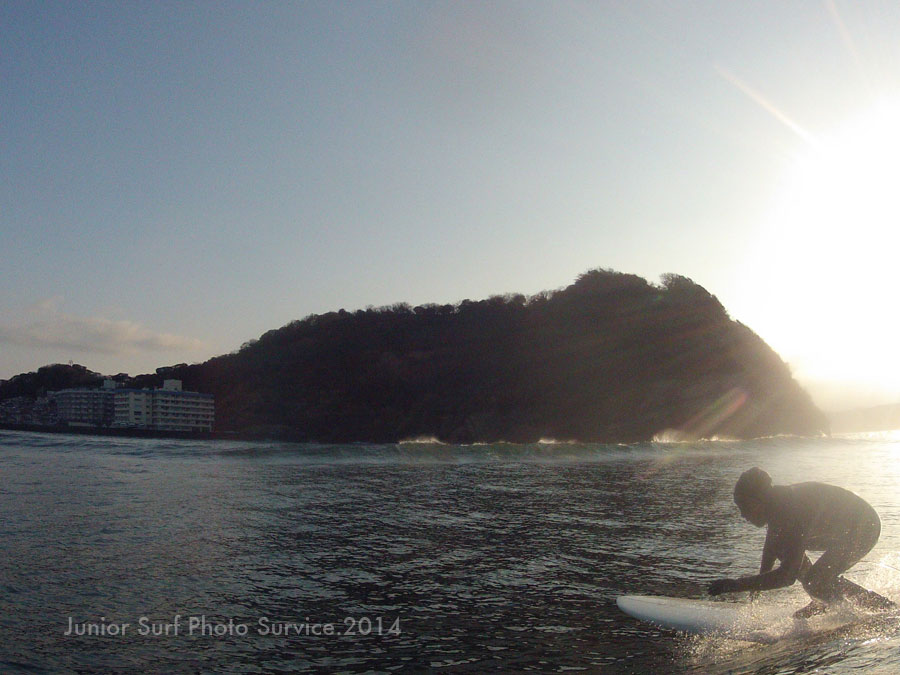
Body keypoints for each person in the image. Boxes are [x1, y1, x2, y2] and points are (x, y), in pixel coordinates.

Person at [708, 467, 895, 618]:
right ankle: (823, 599)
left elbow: (787, 577)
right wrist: (756, 586)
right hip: (842, 530)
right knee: (812, 576)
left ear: (760, 500)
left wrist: (736, 585)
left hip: (864, 527)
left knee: (816, 579)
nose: (743, 515)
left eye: (745, 507)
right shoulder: (776, 502)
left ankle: (882, 609)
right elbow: (771, 547)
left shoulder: (788, 511)